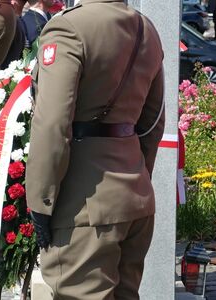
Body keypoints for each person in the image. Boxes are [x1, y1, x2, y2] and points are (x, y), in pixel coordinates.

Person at [25, 1, 166, 298]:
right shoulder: (145, 29)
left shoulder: (68, 28)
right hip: (134, 192)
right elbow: (152, 122)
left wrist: (40, 201)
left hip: (84, 199)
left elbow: (52, 124)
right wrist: (138, 177)